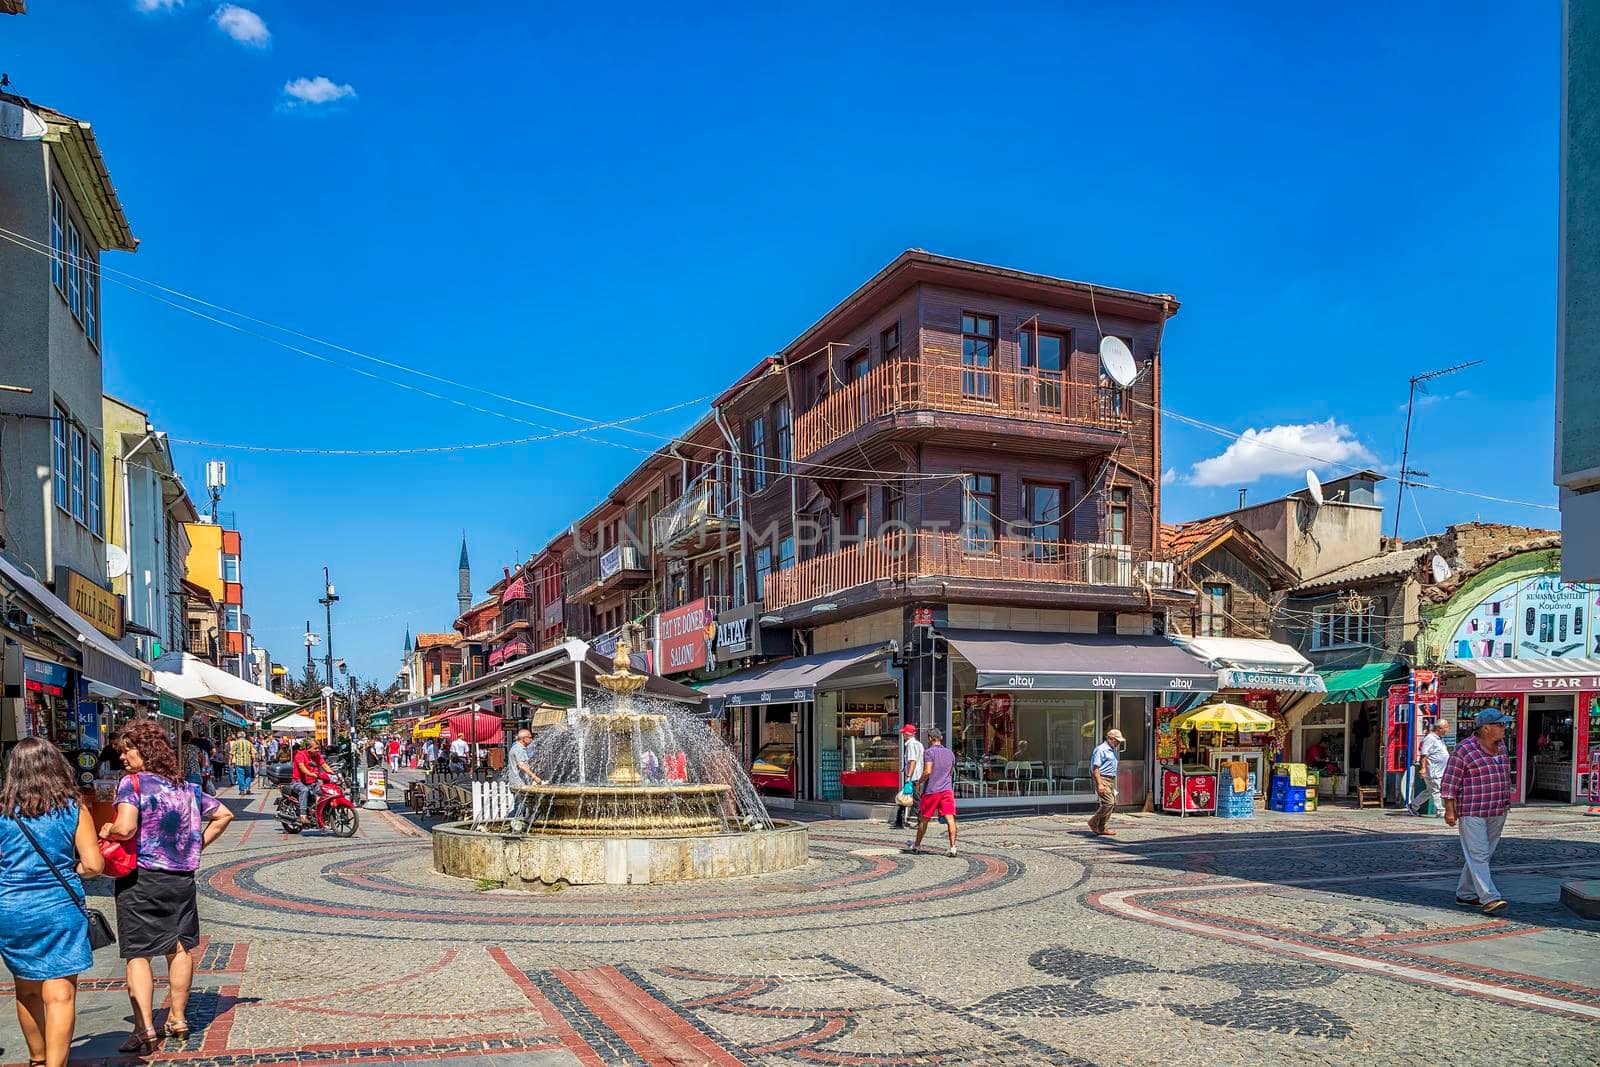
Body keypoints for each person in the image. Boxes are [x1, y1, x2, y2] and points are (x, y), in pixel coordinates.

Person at [100, 720, 233, 1054]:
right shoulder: (187, 787)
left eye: (128, 750)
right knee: (179, 949)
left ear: (146, 750)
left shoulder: (132, 785)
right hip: (181, 879)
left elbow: (127, 828)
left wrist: (107, 830)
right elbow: (224, 815)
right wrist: (195, 844)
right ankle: (177, 1017)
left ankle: (145, 1027)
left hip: (141, 879)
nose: (123, 758)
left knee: (138, 954)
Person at [0, 738, 106, 1067]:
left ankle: (36, 1058)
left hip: (12, 908)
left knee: (27, 990)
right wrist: (66, 868)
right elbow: (93, 865)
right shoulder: (72, 808)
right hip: (59, 906)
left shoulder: (3, 810)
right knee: (60, 995)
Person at [1440, 708, 1515, 915]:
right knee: (1478, 853)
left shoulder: (1502, 748)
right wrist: (1449, 810)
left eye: (1504, 724)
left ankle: (1465, 893)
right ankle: (1489, 897)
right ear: (1486, 727)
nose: (1504, 728)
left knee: (1483, 853)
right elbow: (1449, 781)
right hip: (1472, 809)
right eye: (1500, 724)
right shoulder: (1465, 749)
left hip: (1497, 808)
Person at [904, 728, 957, 857]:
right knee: (950, 818)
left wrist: (919, 782)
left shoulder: (929, 752)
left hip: (932, 790)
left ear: (929, 738)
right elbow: (950, 771)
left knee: (924, 819)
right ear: (941, 738)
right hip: (947, 789)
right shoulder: (950, 753)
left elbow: (927, 771)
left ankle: (916, 845)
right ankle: (953, 847)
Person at [1409, 719, 1450, 817]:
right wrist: (1423, 768)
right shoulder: (1430, 738)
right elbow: (1424, 754)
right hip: (1433, 770)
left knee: (1429, 791)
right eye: (1446, 727)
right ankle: (1440, 811)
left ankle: (1413, 806)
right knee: (1436, 790)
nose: (1447, 730)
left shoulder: (1439, 738)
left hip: (1440, 770)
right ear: (1439, 728)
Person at [1088, 729, 1125, 837]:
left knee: (1110, 804)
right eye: (1116, 740)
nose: (1118, 743)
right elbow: (1095, 768)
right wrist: (1099, 783)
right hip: (1102, 778)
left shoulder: (1112, 749)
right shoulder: (1101, 750)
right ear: (1110, 738)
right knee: (1109, 802)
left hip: (1110, 779)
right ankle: (1093, 822)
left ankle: (1102, 827)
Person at [289, 739, 333, 824]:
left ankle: (321, 812)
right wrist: (311, 774)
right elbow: (302, 767)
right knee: (304, 790)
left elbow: (324, 765)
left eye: (318, 748)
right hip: (297, 781)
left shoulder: (317, 756)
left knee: (325, 789)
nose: (318, 750)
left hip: (312, 782)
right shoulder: (300, 755)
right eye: (315, 748)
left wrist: (332, 773)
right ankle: (303, 815)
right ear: (309, 748)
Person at [892, 723, 924, 832]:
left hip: (913, 776)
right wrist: (905, 768)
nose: (903, 735)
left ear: (907, 734)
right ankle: (899, 821)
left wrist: (909, 775)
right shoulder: (919, 744)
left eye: (904, 733)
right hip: (917, 775)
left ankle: (920, 821)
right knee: (908, 797)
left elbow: (912, 761)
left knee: (913, 798)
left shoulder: (911, 745)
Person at [227, 731, 257, 797]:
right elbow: (253, 753)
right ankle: (248, 787)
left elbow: (231, 753)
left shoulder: (236, 743)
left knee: (240, 776)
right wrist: (255, 761)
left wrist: (230, 761)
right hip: (248, 762)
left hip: (239, 762)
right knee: (248, 775)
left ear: (238, 736)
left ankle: (242, 790)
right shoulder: (249, 743)